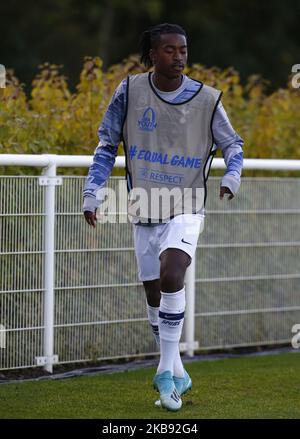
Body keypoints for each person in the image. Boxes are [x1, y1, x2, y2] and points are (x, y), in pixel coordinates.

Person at [83, 23, 244, 411]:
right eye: (170, 50)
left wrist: (231, 176)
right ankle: (176, 370)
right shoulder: (130, 91)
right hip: (144, 205)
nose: (179, 57)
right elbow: (107, 145)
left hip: (187, 203)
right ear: (153, 55)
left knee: (174, 273)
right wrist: (92, 193)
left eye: (184, 50)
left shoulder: (207, 99)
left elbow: (232, 144)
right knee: (155, 298)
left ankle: (165, 378)